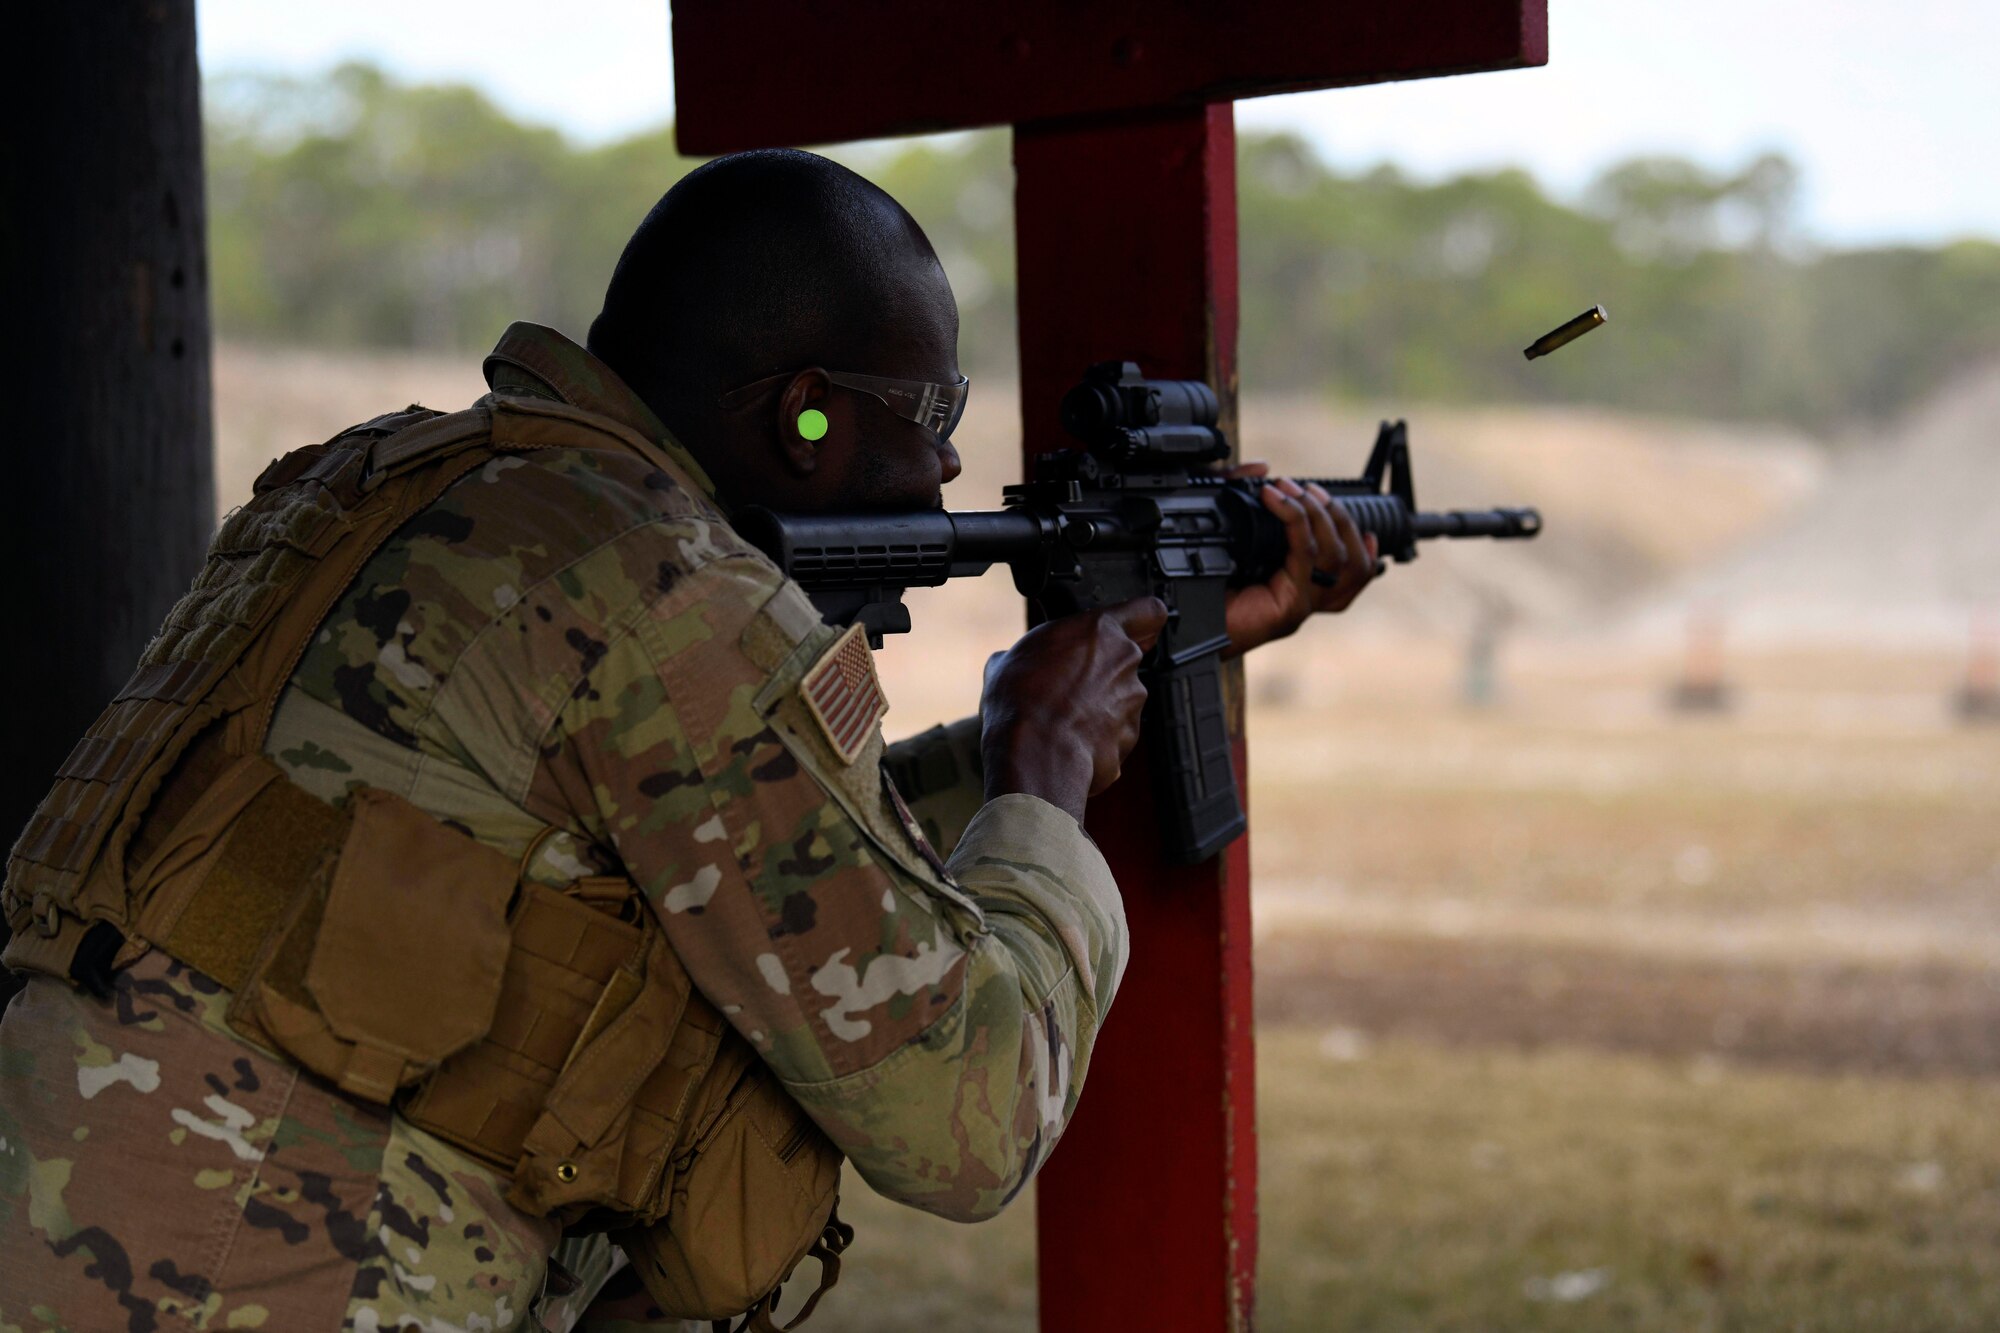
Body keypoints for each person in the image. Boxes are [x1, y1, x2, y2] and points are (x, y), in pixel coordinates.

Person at [0, 148, 1376, 1331]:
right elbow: (968, 1109)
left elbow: (709, 840)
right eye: (932, 415)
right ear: (805, 415)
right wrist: (1049, 782)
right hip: (256, 1271)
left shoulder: (397, 478)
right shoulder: (669, 596)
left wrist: (1054, 710)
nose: (951, 467)